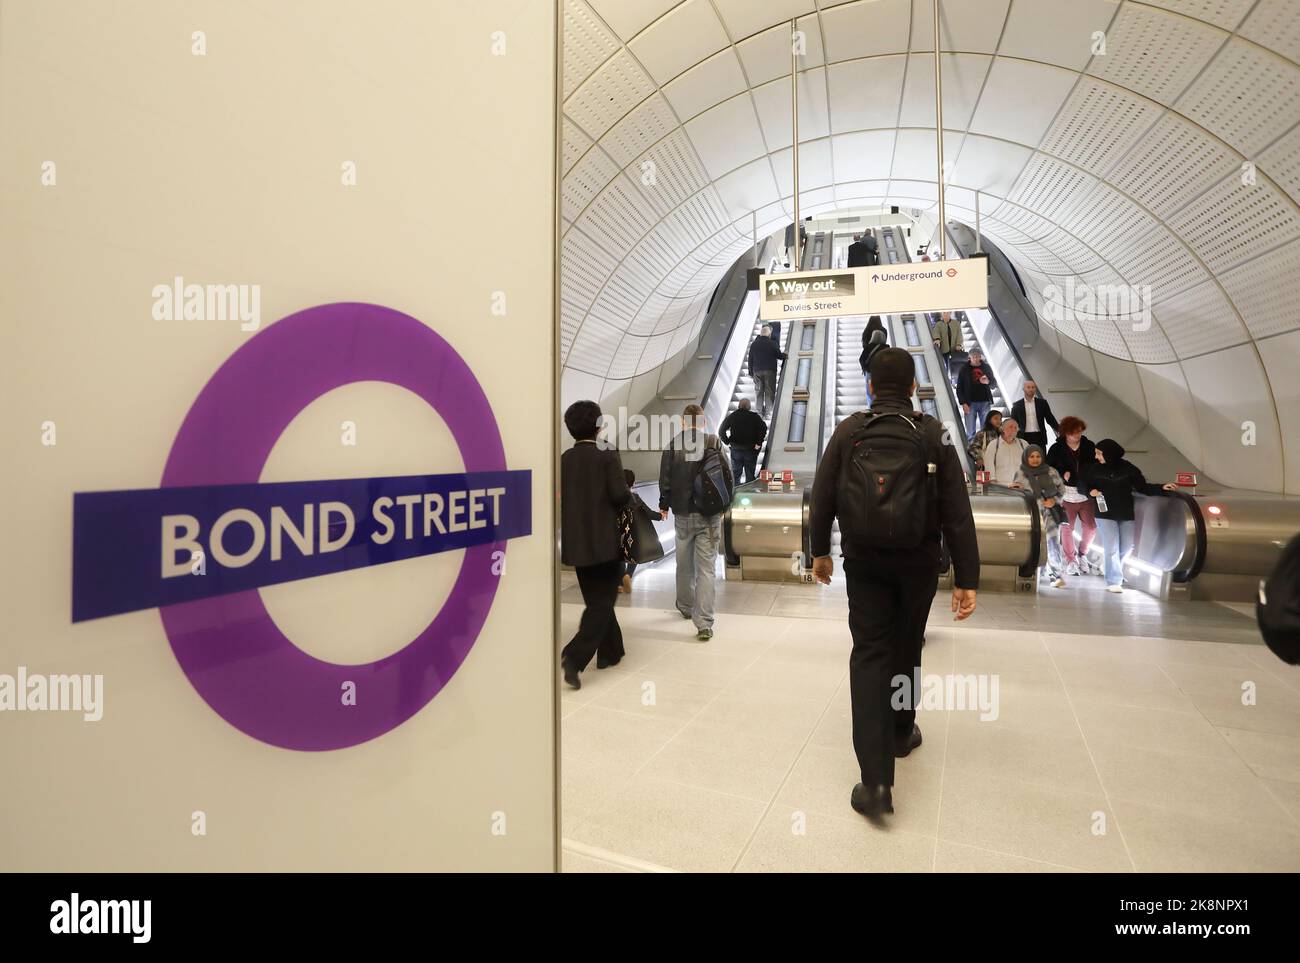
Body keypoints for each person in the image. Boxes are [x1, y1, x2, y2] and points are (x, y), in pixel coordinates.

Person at [809, 347, 979, 819]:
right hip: (919, 562)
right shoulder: (934, 434)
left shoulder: (849, 431)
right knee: (907, 646)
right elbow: (956, 511)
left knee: (869, 655)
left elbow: (821, 497)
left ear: (869, 387)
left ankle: (876, 784)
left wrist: (818, 552)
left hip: (863, 561)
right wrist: (967, 576)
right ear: (912, 388)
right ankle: (902, 731)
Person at [559, 400, 632, 689]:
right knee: (601, 604)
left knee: (597, 599)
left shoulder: (565, 458)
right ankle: (574, 657)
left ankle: (611, 652)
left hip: (576, 542)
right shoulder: (606, 452)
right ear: (599, 425)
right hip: (603, 541)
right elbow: (618, 494)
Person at [659, 404, 733, 641]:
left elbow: (665, 481)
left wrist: (663, 505)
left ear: (683, 422)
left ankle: (686, 606)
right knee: (706, 568)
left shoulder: (672, 446)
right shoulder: (714, 442)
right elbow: (728, 475)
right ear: (702, 421)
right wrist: (725, 505)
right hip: (709, 515)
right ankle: (704, 623)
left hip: (682, 514)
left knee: (683, 564)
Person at [1082, 439, 1178, 594]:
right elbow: (1084, 485)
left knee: (1127, 546)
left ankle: (1110, 567)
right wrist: (1090, 492)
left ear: (1109, 454)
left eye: (1099, 454)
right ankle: (1114, 580)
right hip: (1104, 513)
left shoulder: (1129, 469)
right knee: (1112, 545)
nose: (1096, 457)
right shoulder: (1094, 469)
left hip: (1125, 513)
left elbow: (1143, 487)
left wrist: (1161, 488)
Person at [1046, 416, 1097, 576]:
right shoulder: (1056, 448)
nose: (1077, 436)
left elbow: (1095, 466)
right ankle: (1070, 560)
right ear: (1066, 433)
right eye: (1073, 433)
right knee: (1067, 527)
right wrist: (1062, 474)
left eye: (1079, 432)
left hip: (1085, 493)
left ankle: (1082, 553)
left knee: (1091, 527)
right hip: (1065, 494)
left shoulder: (1089, 446)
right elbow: (1049, 469)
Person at [1013, 445, 1068, 588]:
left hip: (1049, 513)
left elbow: (1061, 490)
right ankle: (1034, 571)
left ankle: (1056, 574)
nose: (1035, 459)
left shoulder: (1051, 471)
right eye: (1032, 456)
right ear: (1026, 457)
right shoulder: (1021, 473)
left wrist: (1054, 501)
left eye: (1038, 456)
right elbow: (1016, 494)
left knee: (1053, 541)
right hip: (1030, 514)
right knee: (1033, 542)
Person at [617, 469, 659, 594]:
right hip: (632, 534)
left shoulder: (614, 497)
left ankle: (620, 581)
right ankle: (628, 575)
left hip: (616, 534)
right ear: (633, 483)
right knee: (634, 555)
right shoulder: (634, 497)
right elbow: (648, 513)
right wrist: (660, 516)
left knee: (617, 556)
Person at [718, 397, 767, 485]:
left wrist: (727, 441)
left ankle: (736, 492)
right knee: (750, 474)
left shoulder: (733, 416)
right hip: (751, 449)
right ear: (749, 407)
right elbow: (763, 428)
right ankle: (749, 492)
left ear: (738, 406)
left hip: (736, 449)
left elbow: (721, 430)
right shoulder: (754, 416)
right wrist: (759, 443)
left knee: (736, 474)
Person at [956, 348, 996, 442]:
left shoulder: (986, 367)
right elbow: (959, 388)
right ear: (969, 358)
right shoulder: (964, 369)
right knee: (970, 432)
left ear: (980, 357)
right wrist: (963, 403)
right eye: (973, 357)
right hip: (970, 403)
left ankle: (984, 450)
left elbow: (994, 384)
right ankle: (971, 453)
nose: (975, 359)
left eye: (977, 357)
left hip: (985, 402)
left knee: (985, 430)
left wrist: (988, 382)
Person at [749, 324, 786, 419]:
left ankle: (759, 413)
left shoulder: (754, 344)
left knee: (759, 391)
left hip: (757, 371)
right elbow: (779, 355)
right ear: (769, 334)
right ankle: (769, 413)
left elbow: (750, 359)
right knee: (769, 391)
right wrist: (784, 355)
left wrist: (750, 372)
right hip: (770, 370)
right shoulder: (772, 343)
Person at [1010, 380, 1059, 450]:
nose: (1031, 389)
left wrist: (1060, 430)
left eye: (1033, 387)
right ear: (1023, 389)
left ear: (1035, 389)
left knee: (1041, 458)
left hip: (1039, 436)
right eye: (1028, 387)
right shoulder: (1017, 405)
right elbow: (1013, 422)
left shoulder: (1042, 403)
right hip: (1023, 437)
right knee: (1024, 459)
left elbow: (1050, 419)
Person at [982, 417, 1026, 487]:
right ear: (1002, 429)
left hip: (1022, 486)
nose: (1013, 430)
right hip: (1002, 487)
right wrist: (993, 484)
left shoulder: (1023, 444)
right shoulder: (993, 445)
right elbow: (989, 465)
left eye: (1016, 428)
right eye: (1010, 427)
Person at [930, 311, 963, 384]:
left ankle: (956, 379)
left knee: (955, 365)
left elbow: (959, 334)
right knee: (946, 365)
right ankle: (947, 380)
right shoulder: (939, 324)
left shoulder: (955, 323)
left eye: (947, 313)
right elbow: (936, 332)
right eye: (944, 313)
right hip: (945, 349)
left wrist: (959, 344)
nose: (945, 314)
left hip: (955, 349)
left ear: (950, 313)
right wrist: (937, 339)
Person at [859, 328, 888, 405]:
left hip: (870, 373)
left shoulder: (868, 348)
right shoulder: (886, 348)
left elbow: (861, 359)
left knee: (870, 392)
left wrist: (865, 369)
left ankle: (872, 407)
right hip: (883, 374)